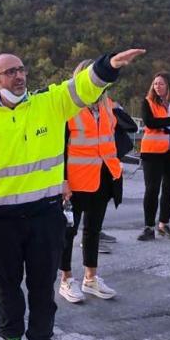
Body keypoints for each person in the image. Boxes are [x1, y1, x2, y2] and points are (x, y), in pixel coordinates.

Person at [0, 48, 146, 340]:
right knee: (6, 288)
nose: (18, 76)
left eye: (21, 69)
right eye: (9, 72)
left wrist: (108, 67)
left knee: (41, 289)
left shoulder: (50, 103)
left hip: (44, 217)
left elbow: (82, 87)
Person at [59, 61, 125, 304]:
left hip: (104, 177)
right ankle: (66, 280)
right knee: (68, 232)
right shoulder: (68, 106)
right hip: (75, 183)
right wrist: (62, 180)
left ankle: (91, 278)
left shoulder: (107, 104)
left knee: (93, 231)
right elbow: (58, 148)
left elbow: (111, 137)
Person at [137, 71, 170, 241]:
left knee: (169, 190)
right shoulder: (148, 102)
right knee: (152, 189)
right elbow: (149, 122)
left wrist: (167, 127)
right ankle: (148, 227)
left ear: (169, 85)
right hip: (153, 152)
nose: (157, 87)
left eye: (161, 84)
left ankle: (163, 224)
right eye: (155, 84)